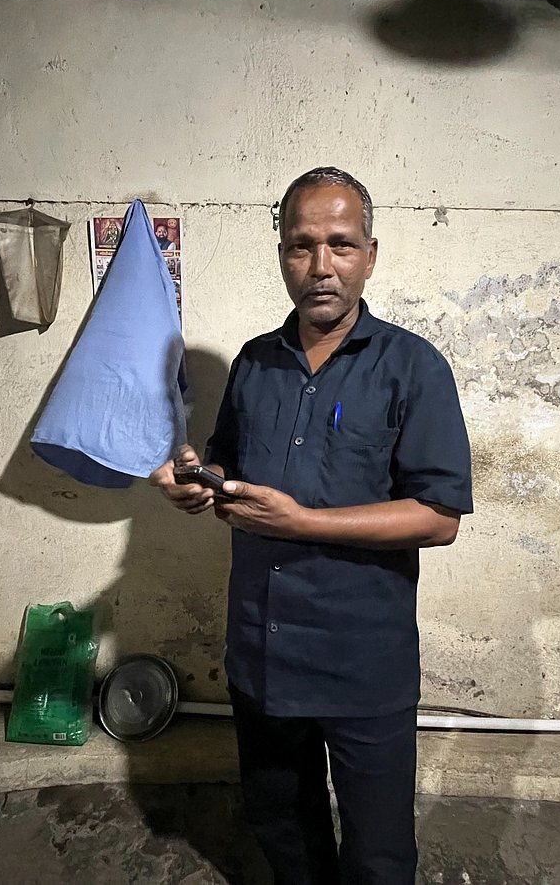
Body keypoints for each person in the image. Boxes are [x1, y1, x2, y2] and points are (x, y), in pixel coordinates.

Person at [151, 167, 472, 884]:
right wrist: (196, 476)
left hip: (363, 663)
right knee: (283, 831)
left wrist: (302, 522)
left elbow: (439, 517)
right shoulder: (255, 363)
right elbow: (227, 460)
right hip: (261, 655)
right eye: (301, 246)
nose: (321, 265)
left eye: (341, 244)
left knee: (378, 855)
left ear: (370, 255)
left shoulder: (413, 367)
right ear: (282, 255)